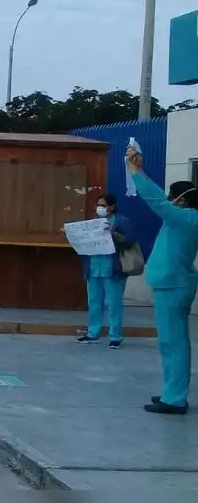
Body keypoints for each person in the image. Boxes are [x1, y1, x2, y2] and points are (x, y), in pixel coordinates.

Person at [126, 146, 198, 415]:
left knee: (174, 343)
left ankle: (176, 397)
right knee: (172, 342)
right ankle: (172, 392)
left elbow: (155, 200)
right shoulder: (185, 218)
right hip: (174, 283)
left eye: (172, 197)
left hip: (173, 285)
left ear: (180, 200)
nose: (168, 200)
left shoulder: (187, 218)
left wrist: (137, 171)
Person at [76, 194, 135, 348]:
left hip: (112, 268)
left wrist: (114, 233)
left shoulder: (122, 222)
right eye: (98, 205)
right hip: (94, 267)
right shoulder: (92, 222)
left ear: (112, 206)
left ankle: (115, 336)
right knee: (94, 302)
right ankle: (92, 333)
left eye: (103, 205)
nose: (100, 208)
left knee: (113, 304)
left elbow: (129, 241)